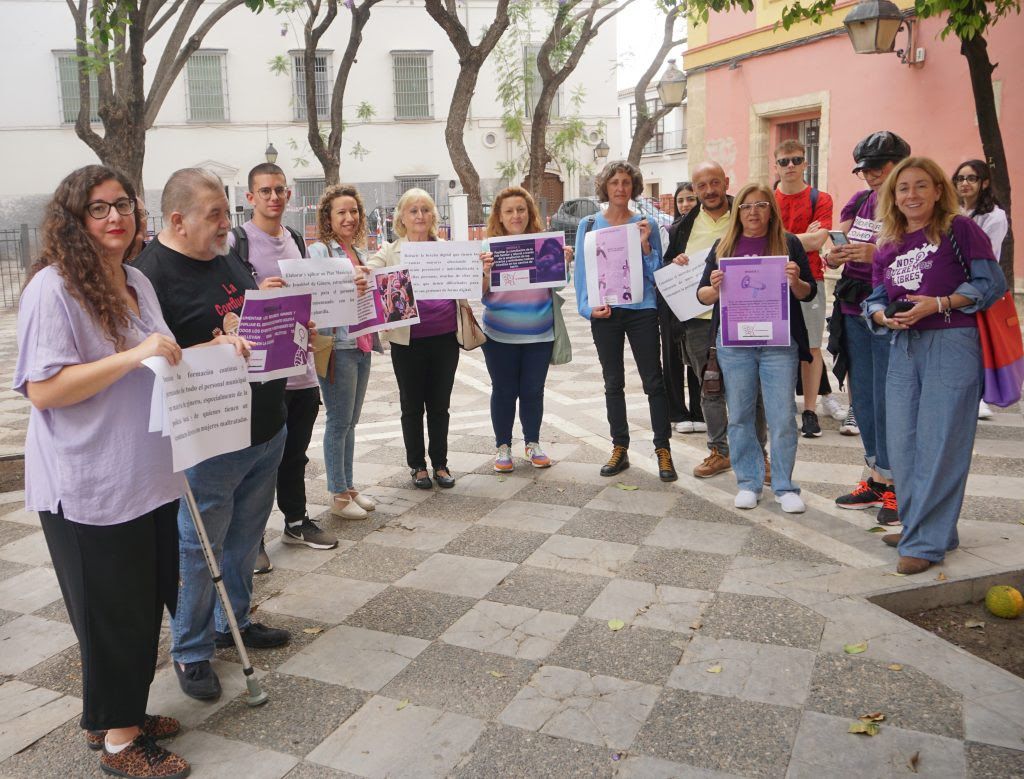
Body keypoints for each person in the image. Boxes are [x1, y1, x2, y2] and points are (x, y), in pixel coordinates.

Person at [13, 165, 249, 777]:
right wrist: (131, 355)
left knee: (143, 606)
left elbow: (160, 360)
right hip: (88, 483)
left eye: (122, 204)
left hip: (148, 476)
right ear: (74, 220)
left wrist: (217, 347)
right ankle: (119, 743)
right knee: (113, 613)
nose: (115, 216)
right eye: (98, 208)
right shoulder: (53, 288)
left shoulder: (136, 282)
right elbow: (44, 390)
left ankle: (116, 714)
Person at [135, 168, 290, 703]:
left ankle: (235, 621)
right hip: (209, 439)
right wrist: (218, 344)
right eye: (215, 215)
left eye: (228, 212)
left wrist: (265, 306)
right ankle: (192, 648)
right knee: (199, 548)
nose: (228, 224)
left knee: (248, 537)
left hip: (265, 424)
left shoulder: (227, 256)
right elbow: (151, 365)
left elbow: (239, 316)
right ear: (177, 219)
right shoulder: (148, 275)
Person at [864, 156, 1006, 574]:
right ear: (893, 196)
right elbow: (874, 297)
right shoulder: (888, 243)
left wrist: (939, 303)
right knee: (904, 445)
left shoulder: (958, 228)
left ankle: (925, 542)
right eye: (903, 187)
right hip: (903, 344)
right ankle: (926, 526)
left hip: (951, 341)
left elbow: (990, 282)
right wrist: (881, 316)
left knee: (941, 442)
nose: (912, 194)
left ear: (938, 190)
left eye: (921, 185)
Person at [228, 163, 337, 573]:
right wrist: (255, 294)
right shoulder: (235, 243)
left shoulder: (294, 239)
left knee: (295, 455)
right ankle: (250, 538)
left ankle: (295, 521)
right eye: (265, 191)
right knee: (256, 461)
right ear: (250, 197)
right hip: (260, 371)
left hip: (300, 365)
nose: (274, 197)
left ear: (288, 195)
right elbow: (225, 305)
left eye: (280, 190)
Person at [696, 183, 816, 513]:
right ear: (738, 212)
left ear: (770, 210)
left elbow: (809, 293)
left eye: (760, 205)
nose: (753, 212)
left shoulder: (788, 243)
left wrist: (795, 282)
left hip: (778, 343)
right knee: (741, 416)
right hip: (735, 343)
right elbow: (701, 295)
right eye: (747, 206)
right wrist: (716, 289)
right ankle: (748, 482)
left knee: (782, 418)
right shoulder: (725, 245)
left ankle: (784, 486)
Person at [573, 160, 677, 482]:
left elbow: (656, 271)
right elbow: (580, 272)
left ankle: (663, 449)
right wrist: (587, 308)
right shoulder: (589, 225)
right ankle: (620, 447)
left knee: (653, 381)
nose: (620, 188)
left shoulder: (645, 223)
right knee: (612, 382)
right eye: (615, 182)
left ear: (634, 188)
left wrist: (646, 245)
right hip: (605, 314)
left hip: (641, 310)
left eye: (626, 183)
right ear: (605, 187)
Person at [663, 162, 768, 480]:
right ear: (693, 190)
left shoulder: (746, 212)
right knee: (710, 388)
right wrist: (675, 261)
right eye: (701, 186)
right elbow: (669, 265)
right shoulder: (681, 226)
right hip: (698, 319)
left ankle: (757, 453)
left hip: (744, 313)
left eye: (714, 183)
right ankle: (719, 452)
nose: (708, 190)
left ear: (726, 182)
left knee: (753, 389)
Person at [827, 131, 910, 527]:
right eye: (865, 169)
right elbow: (832, 248)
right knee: (862, 398)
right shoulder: (860, 201)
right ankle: (877, 477)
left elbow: (923, 253)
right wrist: (834, 253)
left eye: (878, 167)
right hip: (851, 305)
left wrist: (876, 254)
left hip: (890, 309)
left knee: (889, 396)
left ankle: (899, 484)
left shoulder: (911, 201)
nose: (872, 175)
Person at [367, 188, 465, 489]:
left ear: (433, 215)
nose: (420, 215)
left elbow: (469, 279)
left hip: (445, 338)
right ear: (402, 218)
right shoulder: (390, 250)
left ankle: (441, 464)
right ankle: (418, 466)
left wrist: (480, 268)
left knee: (440, 405)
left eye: (425, 210)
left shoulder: (447, 248)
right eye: (413, 210)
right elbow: (368, 274)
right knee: (411, 406)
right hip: (407, 342)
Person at [479, 186, 572, 472]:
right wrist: (484, 272)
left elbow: (557, 285)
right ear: (499, 216)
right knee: (504, 390)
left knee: (533, 390)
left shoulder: (545, 244)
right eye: (509, 211)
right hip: (498, 334)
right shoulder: (487, 249)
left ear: (529, 212)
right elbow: (480, 293)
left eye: (521, 209)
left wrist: (563, 262)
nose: (516, 215)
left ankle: (532, 443)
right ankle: (503, 447)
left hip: (539, 333)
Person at [307, 184, 380, 519]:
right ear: (328, 217)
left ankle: (349, 486)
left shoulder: (360, 252)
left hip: (362, 344)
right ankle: (337, 495)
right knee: (338, 421)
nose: (349, 218)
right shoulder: (321, 252)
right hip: (337, 346)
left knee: (351, 421)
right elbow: (317, 293)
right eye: (341, 212)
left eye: (353, 211)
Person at [771, 138, 842, 437]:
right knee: (776, 344)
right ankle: (782, 405)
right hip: (772, 280)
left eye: (796, 160)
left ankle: (810, 410)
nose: (790, 166)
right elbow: (805, 239)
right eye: (784, 161)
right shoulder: (767, 198)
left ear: (805, 163)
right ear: (775, 164)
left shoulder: (820, 198)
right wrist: (803, 236)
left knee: (812, 346)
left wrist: (781, 236)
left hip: (810, 278)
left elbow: (818, 241)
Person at [953, 159, 1009, 421]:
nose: (964, 183)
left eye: (971, 178)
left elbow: (987, 252)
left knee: (978, 344)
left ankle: (979, 397)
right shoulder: (953, 211)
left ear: (984, 183)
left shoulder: (994, 216)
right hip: (951, 284)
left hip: (976, 285)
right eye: (960, 178)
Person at [660, 182, 705, 435]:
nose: (686, 204)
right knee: (673, 357)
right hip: (672, 302)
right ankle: (677, 412)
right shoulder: (670, 230)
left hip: (700, 302)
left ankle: (700, 411)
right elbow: (660, 262)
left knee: (698, 356)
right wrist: (674, 261)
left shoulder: (706, 230)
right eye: (681, 200)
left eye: (690, 199)